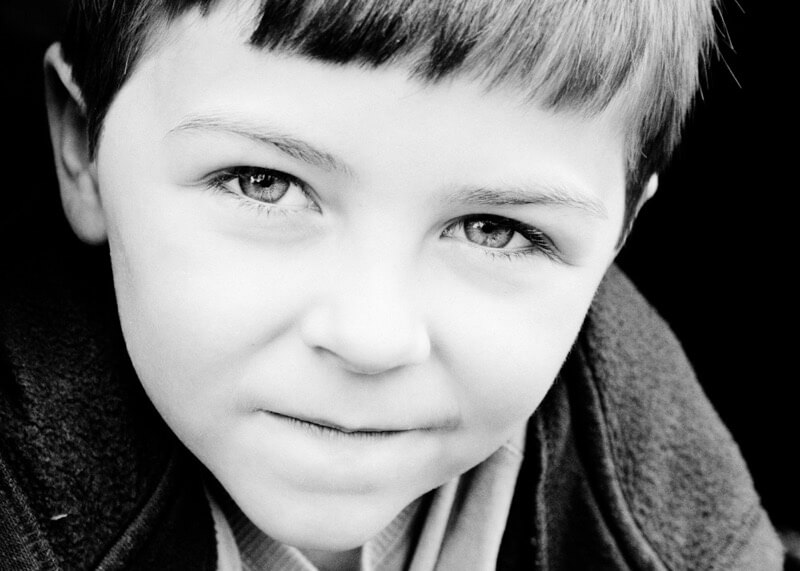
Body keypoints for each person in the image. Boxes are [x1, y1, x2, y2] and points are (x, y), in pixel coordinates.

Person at [0, 0, 789, 569]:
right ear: (82, 146)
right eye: (262, 183)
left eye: (495, 230)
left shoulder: (668, 524)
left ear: (618, 237)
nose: (370, 336)